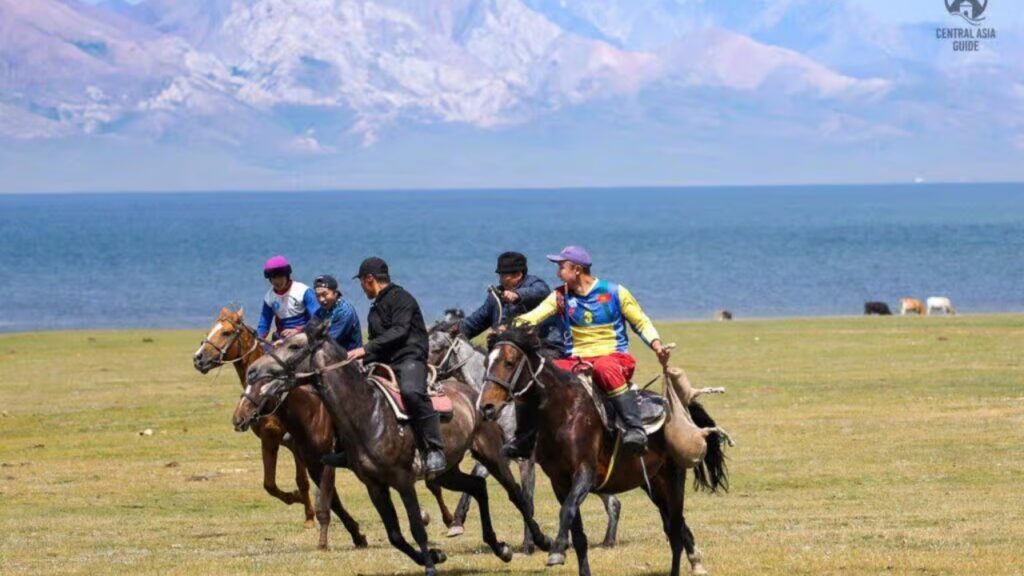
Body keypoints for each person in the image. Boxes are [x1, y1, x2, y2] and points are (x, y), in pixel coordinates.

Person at [512, 246, 670, 457]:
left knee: (604, 368)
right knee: (539, 375)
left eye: (561, 267)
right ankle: (524, 438)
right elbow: (533, 317)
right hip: (575, 361)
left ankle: (635, 429)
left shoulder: (615, 292)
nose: (558, 273)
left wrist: (656, 344)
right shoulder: (559, 296)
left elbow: (641, 322)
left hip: (614, 358)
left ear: (577, 270)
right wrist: (509, 327)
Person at [322, 257, 446, 475]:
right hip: (385, 360)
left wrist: (365, 349)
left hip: (409, 358)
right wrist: (358, 360)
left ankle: (434, 449)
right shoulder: (376, 307)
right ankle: (347, 449)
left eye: (362, 282)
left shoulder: (402, 299)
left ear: (370, 279)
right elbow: (379, 341)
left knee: (412, 393)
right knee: (345, 390)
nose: (362, 288)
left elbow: (399, 331)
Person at [457, 251, 562, 347]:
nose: (500, 281)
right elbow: (475, 322)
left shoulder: (535, 284)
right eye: (500, 276)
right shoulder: (496, 298)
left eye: (504, 276)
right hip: (501, 351)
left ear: (518, 275)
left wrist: (517, 295)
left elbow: (541, 291)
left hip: (533, 349)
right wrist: (455, 330)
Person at [257, 255, 319, 342]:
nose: (277, 281)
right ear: (270, 279)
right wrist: (257, 339)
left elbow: (317, 318)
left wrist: (298, 330)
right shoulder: (269, 298)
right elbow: (264, 324)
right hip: (282, 339)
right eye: (274, 277)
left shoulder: (304, 291)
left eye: (280, 276)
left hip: (305, 335)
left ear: (287, 275)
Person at [312, 274, 363, 352]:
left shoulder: (345, 311)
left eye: (324, 294)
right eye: (317, 296)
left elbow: (330, 340)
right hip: (329, 354)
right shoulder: (320, 312)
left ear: (335, 293)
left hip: (349, 356)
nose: (321, 299)